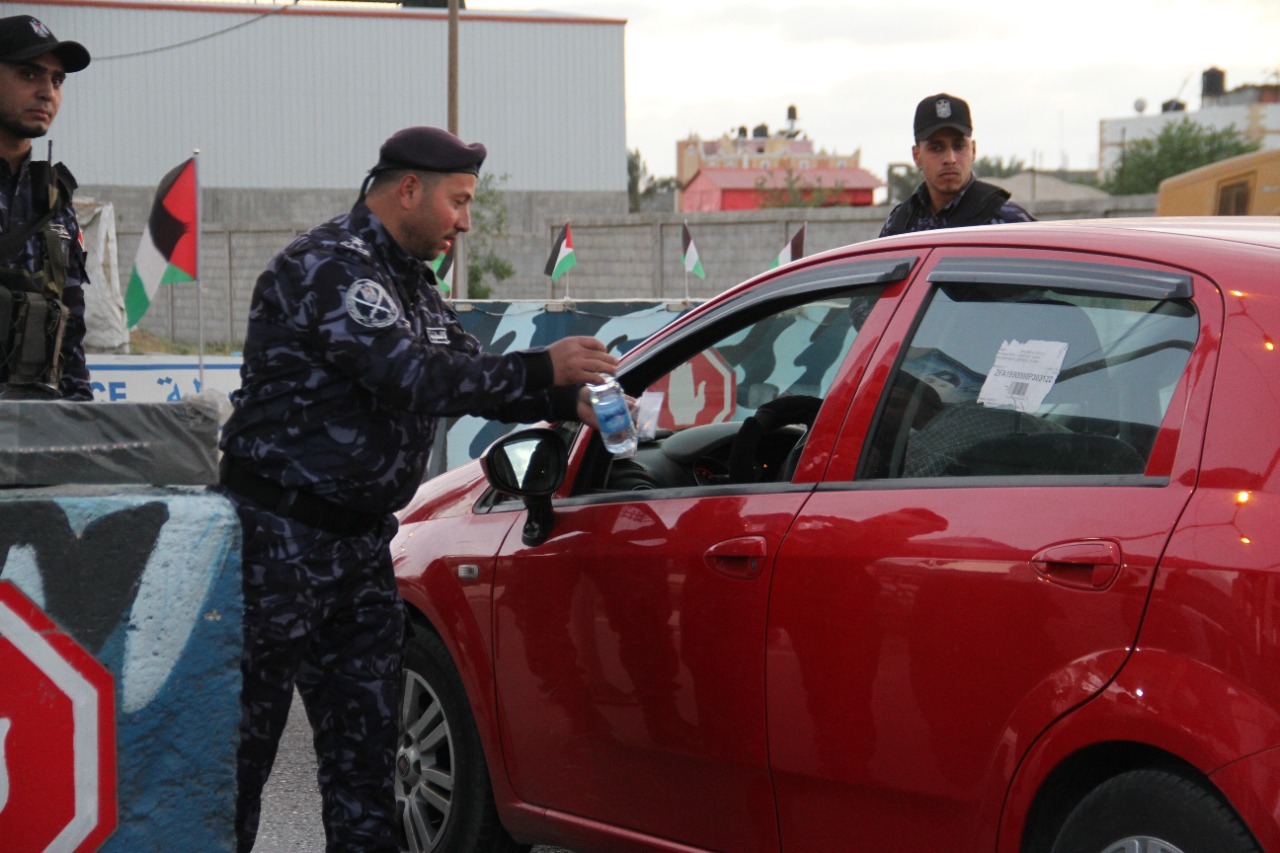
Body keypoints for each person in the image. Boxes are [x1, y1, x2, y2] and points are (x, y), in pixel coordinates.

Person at [217, 126, 619, 852]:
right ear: (409, 190)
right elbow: (410, 376)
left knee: (367, 762)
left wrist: (567, 402)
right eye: (458, 202)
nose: (465, 221)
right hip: (277, 542)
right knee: (238, 759)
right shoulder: (330, 268)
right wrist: (543, 370)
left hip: (360, 546)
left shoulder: (411, 282)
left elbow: (466, 370)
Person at [0, 15, 92, 400]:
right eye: (28, 74)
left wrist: (79, 419)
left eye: (56, 80)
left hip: (35, 426)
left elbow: (70, 331)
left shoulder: (54, 202)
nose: (47, 92)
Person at [880, 93, 1035, 237]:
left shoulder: (1007, 221)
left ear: (973, 150)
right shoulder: (900, 225)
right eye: (936, 148)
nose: (950, 159)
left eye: (959, 146)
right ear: (916, 155)